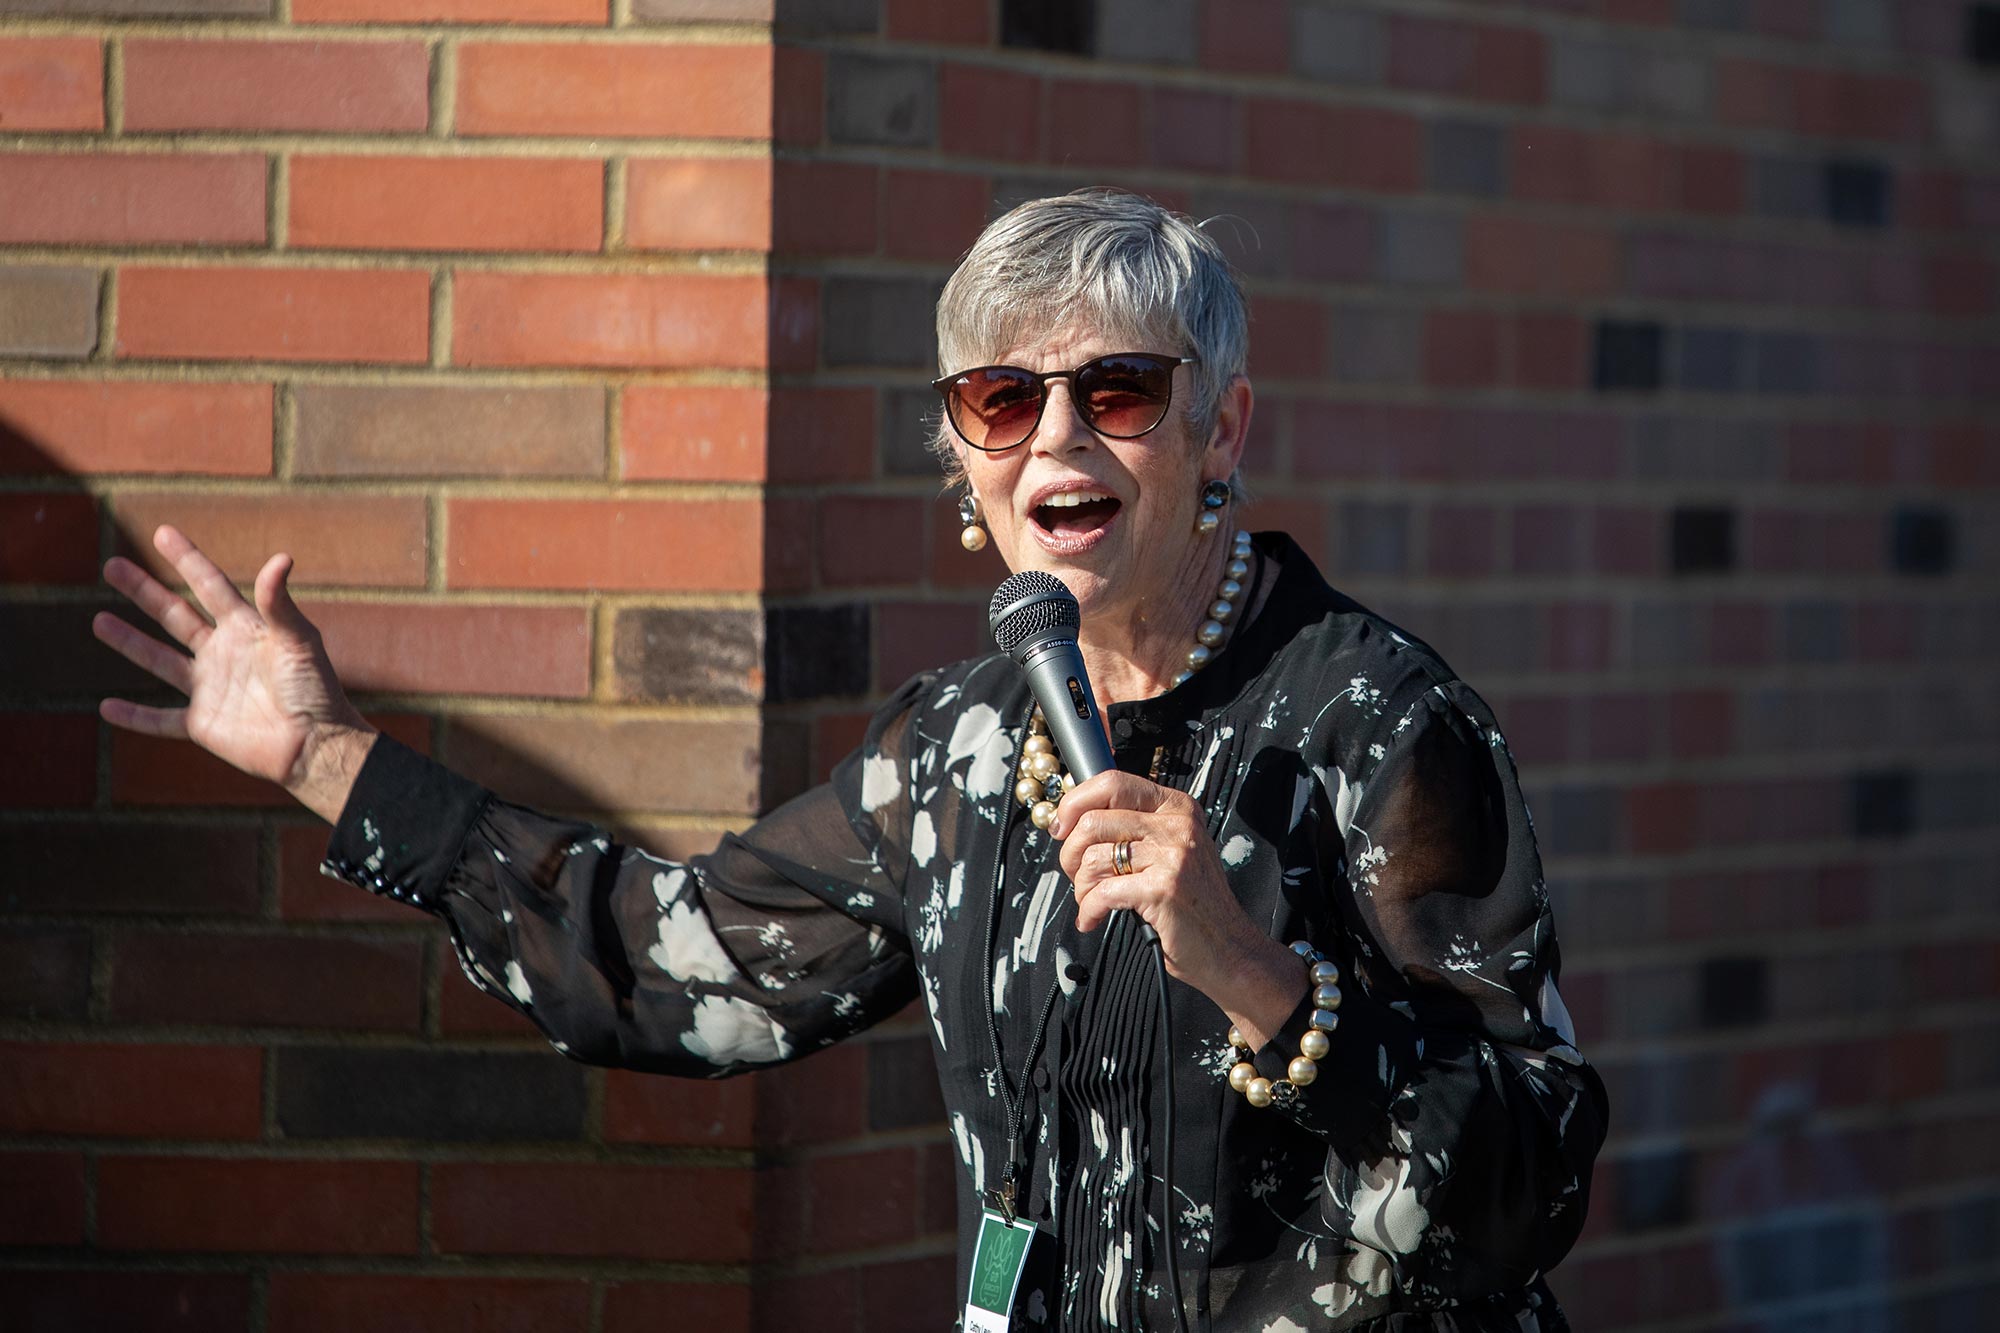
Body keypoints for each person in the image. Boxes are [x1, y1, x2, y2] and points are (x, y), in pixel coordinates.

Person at [94, 189, 1607, 1331]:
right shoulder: (955, 748)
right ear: (962, 460)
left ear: (1222, 432)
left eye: (1122, 392)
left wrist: (1265, 980)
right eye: (1002, 401)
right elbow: (667, 960)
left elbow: (1533, 1178)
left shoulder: (1375, 721)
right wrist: (326, 755)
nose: (1057, 440)